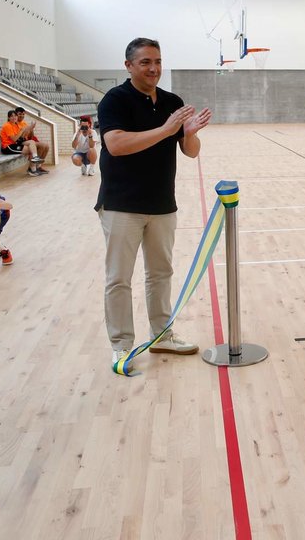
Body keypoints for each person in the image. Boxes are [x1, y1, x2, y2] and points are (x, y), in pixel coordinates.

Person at [96, 37, 212, 368]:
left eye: (158, 61)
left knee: (160, 273)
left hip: (162, 204)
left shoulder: (173, 101)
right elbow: (116, 144)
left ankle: (162, 335)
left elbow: (191, 151)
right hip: (121, 205)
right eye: (145, 62)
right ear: (129, 65)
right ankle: (121, 345)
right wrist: (166, 129)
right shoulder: (114, 100)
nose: (153, 68)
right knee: (119, 278)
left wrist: (188, 132)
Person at [0, 110, 44, 176]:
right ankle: (32, 170)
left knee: (32, 143)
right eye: (11, 116)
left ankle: (35, 158)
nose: (14, 117)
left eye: (15, 115)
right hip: (8, 147)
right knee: (31, 149)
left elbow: (21, 137)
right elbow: (14, 139)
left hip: (15, 144)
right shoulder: (7, 126)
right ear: (8, 118)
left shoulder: (15, 125)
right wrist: (22, 130)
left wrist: (30, 129)